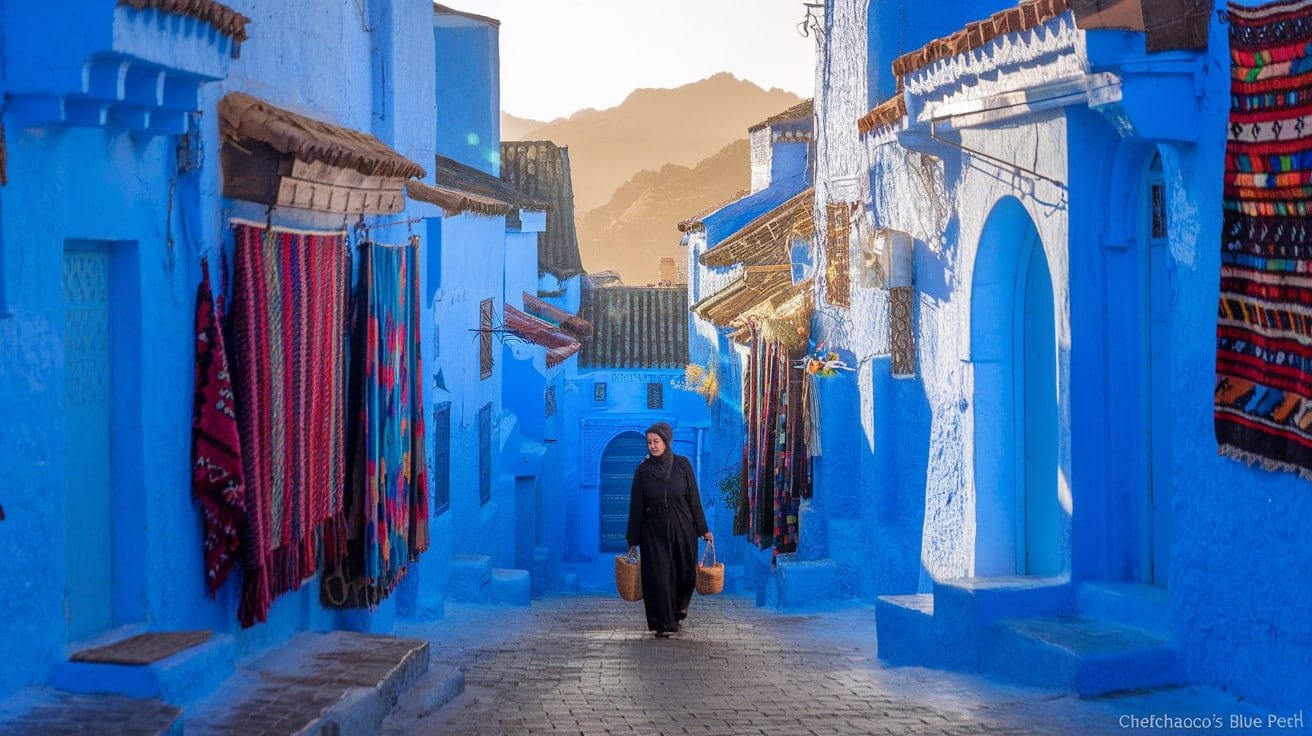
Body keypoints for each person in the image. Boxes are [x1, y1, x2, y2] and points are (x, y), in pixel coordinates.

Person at [626, 422, 712, 638]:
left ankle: (680, 608)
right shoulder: (642, 471)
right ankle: (662, 623)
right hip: (653, 531)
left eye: (657, 441)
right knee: (658, 577)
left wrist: (703, 528)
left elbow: (694, 499)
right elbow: (636, 506)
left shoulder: (682, 466)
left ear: (666, 441)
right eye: (649, 443)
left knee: (685, 574)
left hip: (683, 527)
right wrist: (633, 538)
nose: (653, 446)